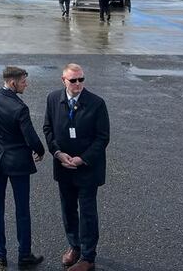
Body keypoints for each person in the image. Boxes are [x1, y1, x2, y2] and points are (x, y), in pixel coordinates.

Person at [43, 64, 110, 271]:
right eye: (73, 80)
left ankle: (88, 257)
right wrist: (57, 153)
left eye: (81, 79)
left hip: (87, 169)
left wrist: (82, 159)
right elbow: (48, 129)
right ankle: (74, 246)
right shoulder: (53, 99)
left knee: (88, 213)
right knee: (68, 209)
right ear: (63, 80)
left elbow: (102, 138)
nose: (78, 84)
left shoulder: (97, 103)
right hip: (63, 167)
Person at [0, 66, 46, 268]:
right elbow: (31, 137)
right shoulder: (20, 108)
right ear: (12, 82)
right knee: (22, 210)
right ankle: (24, 254)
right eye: (23, 81)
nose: (26, 84)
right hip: (18, 164)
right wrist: (40, 150)